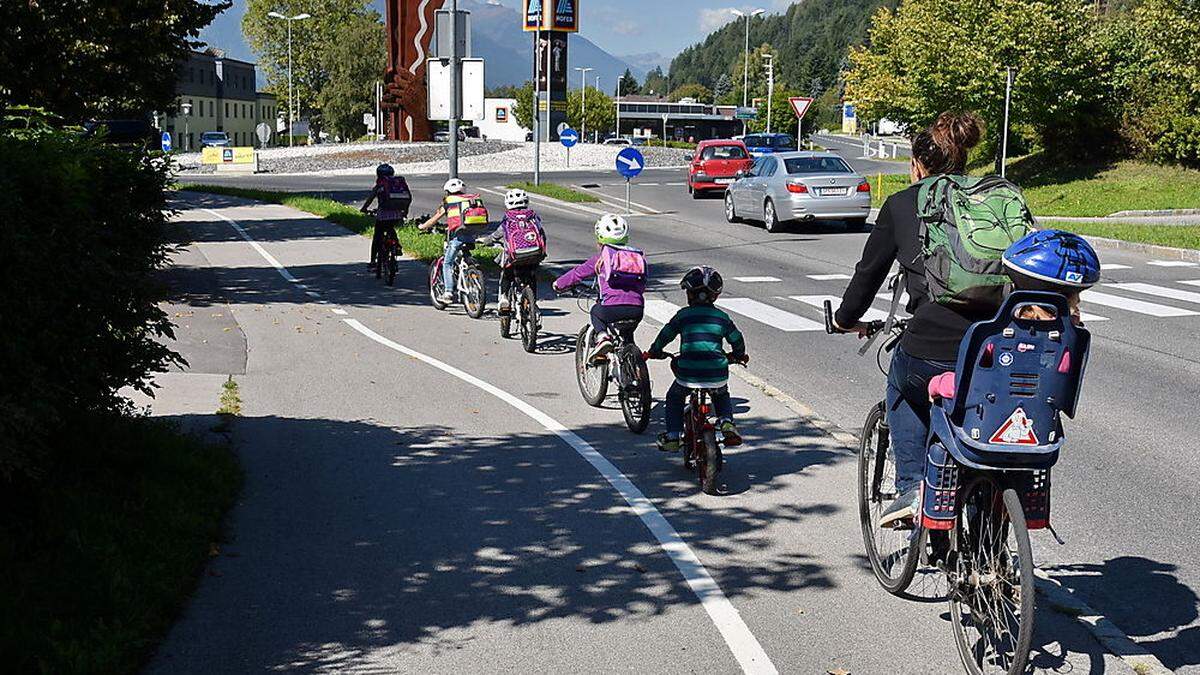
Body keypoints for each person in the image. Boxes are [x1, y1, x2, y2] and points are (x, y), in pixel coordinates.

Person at [831, 111, 989, 528]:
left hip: (934, 342)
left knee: (901, 384)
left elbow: (868, 275)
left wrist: (847, 320)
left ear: (917, 165)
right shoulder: (994, 198)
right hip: (996, 344)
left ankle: (912, 487)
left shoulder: (904, 203)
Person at [926, 229, 1102, 401]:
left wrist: (937, 384)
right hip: (1042, 420)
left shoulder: (996, 338)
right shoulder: (1069, 343)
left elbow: (969, 384)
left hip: (989, 420)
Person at [646, 266, 748, 452]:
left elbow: (665, 335)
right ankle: (726, 422)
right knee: (721, 394)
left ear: (689, 294)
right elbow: (737, 339)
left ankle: (673, 436)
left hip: (688, 373)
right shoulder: (722, 317)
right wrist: (739, 355)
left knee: (675, 397)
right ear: (715, 296)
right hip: (716, 372)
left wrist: (654, 351)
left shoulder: (683, 316)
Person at [552, 214, 646, 362]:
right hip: (637, 309)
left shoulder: (601, 258)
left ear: (600, 238)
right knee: (627, 337)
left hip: (610, 309)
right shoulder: (637, 257)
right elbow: (642, 284)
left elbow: (578, 273)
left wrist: (559, 284)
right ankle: (635, 367)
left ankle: (602, 338)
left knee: (596, 311)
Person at [476, 188, 547, 312]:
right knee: (531, 275)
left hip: (515, 256)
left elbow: (498, 234)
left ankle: (504, 298)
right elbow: (542, 234)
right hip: (534, 253)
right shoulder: (533, 216)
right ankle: (533, 302)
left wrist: (486, 240)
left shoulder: (509, 218)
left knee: (507, 273)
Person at [418, 177, 486, 304]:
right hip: (472, 234)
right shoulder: (472, 199)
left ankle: (448, 292)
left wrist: (423, 226)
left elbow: (435, 218)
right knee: (464, 256)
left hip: (458, 236)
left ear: (448, 192)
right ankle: (470, 274)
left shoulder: (449, 201)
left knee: (447, 263)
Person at [360, 163, 410, 270]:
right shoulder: (398, 184)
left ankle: (373, 262)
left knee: (377, 236)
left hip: (383, 215)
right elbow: (407, 198)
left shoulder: (379, 186)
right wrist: (405, 212)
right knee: (391, 228)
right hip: (397, 214)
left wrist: (364, 209)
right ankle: (396, 246)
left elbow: (370, 199)